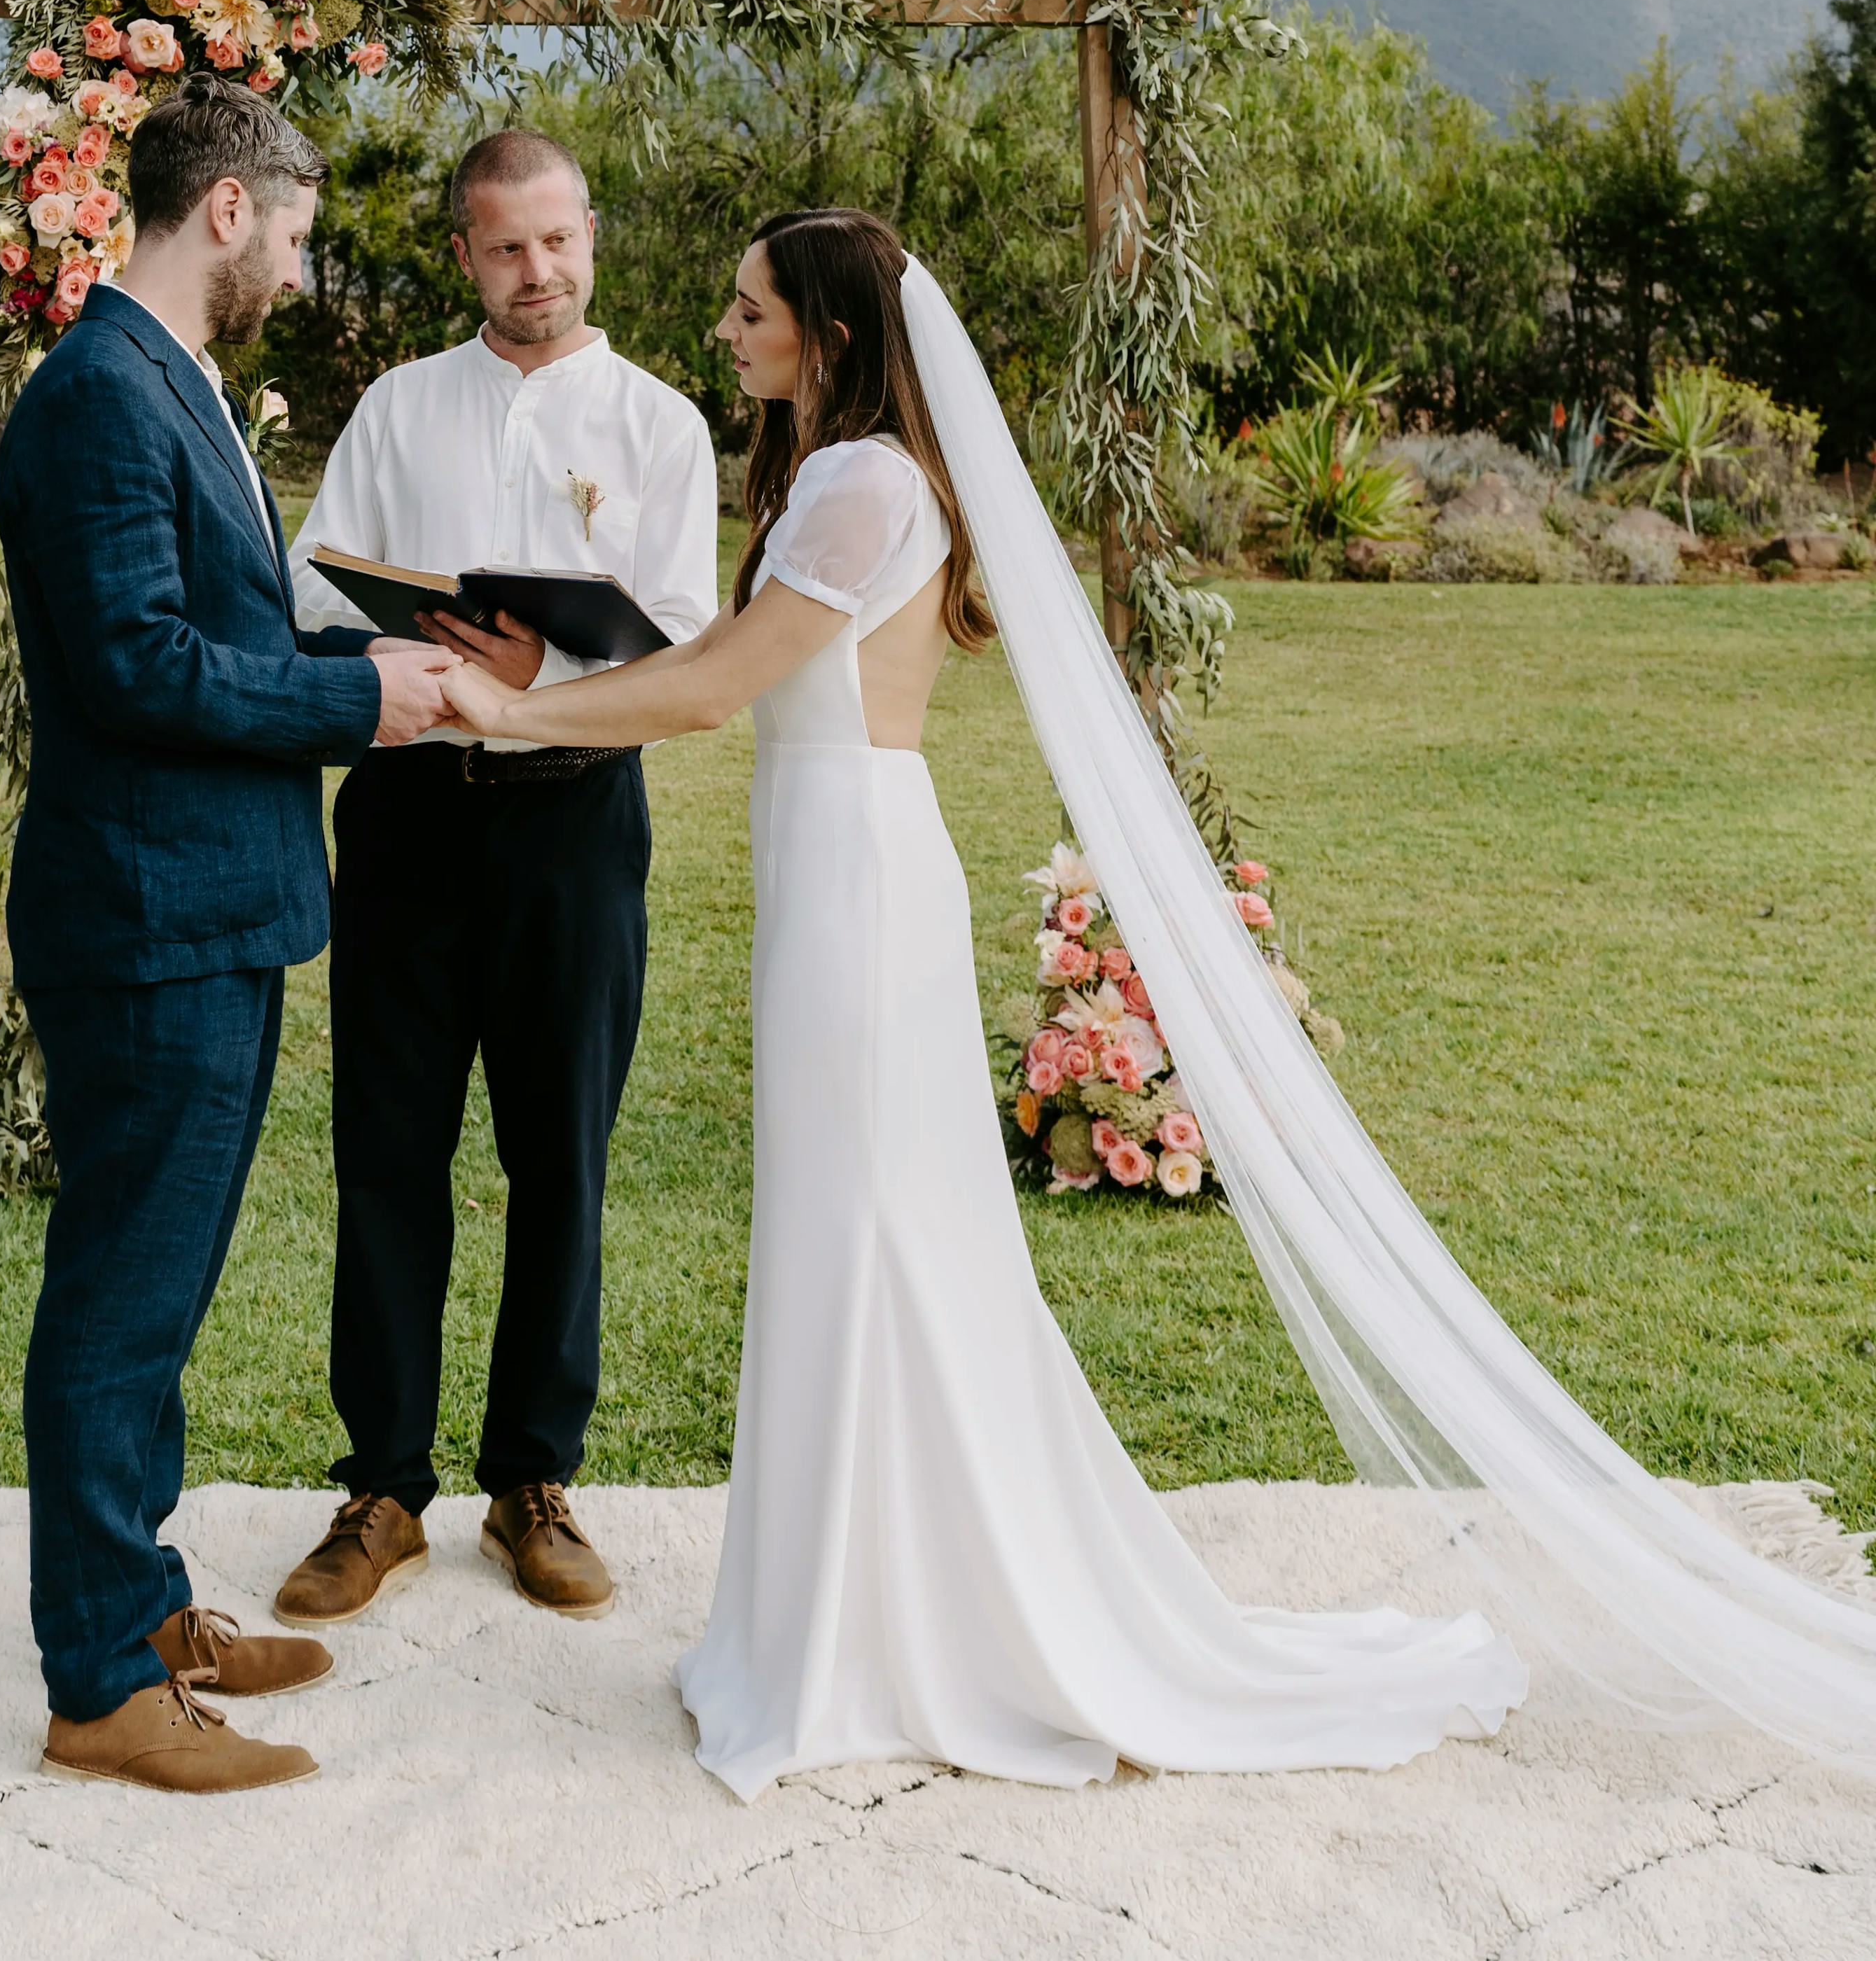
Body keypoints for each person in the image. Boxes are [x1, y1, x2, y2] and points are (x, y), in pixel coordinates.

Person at [439, 207, 1876, 1797]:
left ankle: (875, 1632)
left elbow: (720, 691)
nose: (725, 327)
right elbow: (731, 654)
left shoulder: (860, 480)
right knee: (863, 1228)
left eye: (751, 306)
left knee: (869, 1228)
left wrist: (507, 716)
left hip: (852, 870)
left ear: (832, 337)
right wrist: (555, 665)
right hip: (843, 855)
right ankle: (855, 1607)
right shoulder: (862, 477)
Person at [0, 78, 459, 1799]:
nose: (303, 261)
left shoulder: (166, 378)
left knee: (160, 1291)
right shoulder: (104, 394)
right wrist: (361, 695)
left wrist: (368, 637)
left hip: (211, 907)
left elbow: (208, 621)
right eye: (301, 228)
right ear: (230, 212)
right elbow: (134, 667)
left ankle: (143, 1604)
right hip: (148, 919)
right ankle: (103, 1685)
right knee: (122, 1301)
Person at [272, 127, 719, 1630]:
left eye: (560, 242)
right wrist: (415, 649)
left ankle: (534, 1479)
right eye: (506, 248)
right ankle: (384, 1488)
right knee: (389, 1153)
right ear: (463, 255)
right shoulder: (399, 409)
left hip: (577, 819)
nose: (538, 274)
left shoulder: (661, 426)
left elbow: (684, 642)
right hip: (405, 816)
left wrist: (553, 661)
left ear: (593, 238)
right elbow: (308, 597)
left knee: (560, 1155)